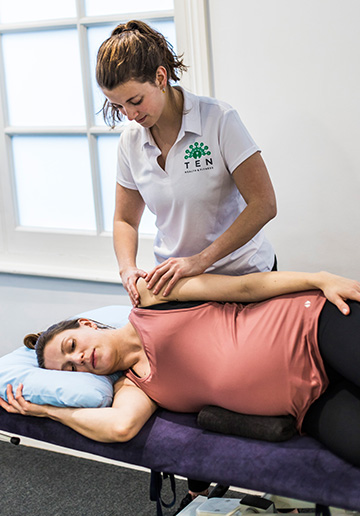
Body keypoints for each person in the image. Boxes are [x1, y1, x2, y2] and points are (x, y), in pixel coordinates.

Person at [2, 270, 360, 471]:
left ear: (87, 325)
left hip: (313, 325)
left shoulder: (151, 298)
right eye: (69, 369)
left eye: (71, 346)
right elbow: (120, 427)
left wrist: (320, 279)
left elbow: (246, 286)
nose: (78, 359)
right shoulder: (135, 387)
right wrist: (46, 409)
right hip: (310, 403)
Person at [95, 19, 277, 308]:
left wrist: (200, 260)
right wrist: (127, 267)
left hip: (241, 276)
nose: (129, 115)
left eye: (135, 100)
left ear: (160, 77)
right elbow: (125, 220)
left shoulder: (218, 120)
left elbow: (264, 204)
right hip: (178, 284)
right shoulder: (130, 140)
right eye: (118, 106)